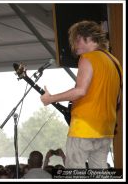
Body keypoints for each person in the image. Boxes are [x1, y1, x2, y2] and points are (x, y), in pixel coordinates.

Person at [40, 20, 122, 169]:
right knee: (99, 174)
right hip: (105, 130)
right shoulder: (115, 62)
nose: (74, 45)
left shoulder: (88, 58)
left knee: (75, 173)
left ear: (89, 38)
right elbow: (118, 98)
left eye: (77, 40)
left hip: (84, 127)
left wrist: (50, 99)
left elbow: (80, 90)